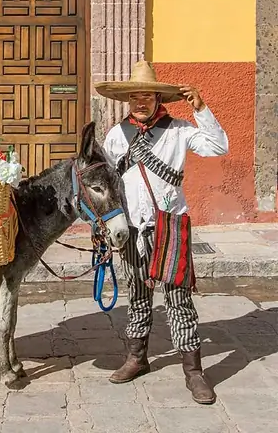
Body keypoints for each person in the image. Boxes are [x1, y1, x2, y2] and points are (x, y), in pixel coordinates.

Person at [94, 61, 229, 405]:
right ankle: (137, 358)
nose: (141, 101)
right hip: (129, 229)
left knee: (178, 301)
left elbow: (218, 147)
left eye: (147, 95)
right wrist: (102, 225)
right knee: (137, 296)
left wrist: (201, 107)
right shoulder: (115, 135)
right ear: (127, 100)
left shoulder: (180, 130)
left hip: (169, 226)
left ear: (158, 97)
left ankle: (193, 372)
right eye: (135, 96)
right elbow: (107, 183)